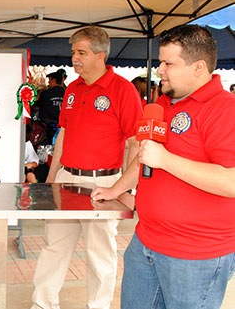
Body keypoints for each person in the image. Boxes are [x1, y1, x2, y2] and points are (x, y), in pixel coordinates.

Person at [92, 25, 235, 309]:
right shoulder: (163, 104)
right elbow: (146, 154)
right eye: (161, 61)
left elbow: (231, 181)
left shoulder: (225, 110)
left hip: (195, 255)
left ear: (199, 67)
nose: (160, 70)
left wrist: (166, 160)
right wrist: (115, 188)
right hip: (146, 241)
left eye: (169, 63)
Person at [31, 26, 142, 309]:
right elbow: (63, 137)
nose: (74, 59)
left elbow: (135, 144)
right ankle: (43, 304)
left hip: (103, 184)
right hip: (66, 179)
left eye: (81, 53)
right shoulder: (72, 88)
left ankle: (98, 306)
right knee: (54, 246)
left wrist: (123, 188)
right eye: (73, 53)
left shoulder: (123, 90)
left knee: (99, 254)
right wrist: (52, 180)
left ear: (100, 55)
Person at [36, 70, 65, 142]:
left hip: (46, 129)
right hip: (62, 128)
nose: (48, 82)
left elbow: (37, 106)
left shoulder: (45, 93)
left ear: (54, 80)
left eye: (49, 80)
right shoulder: (66, 93)